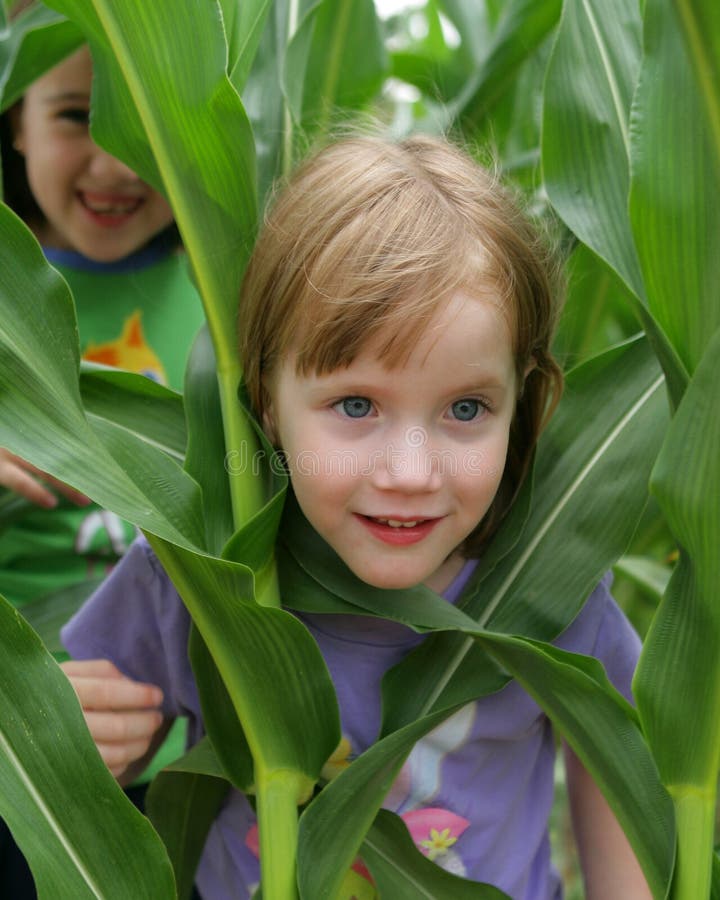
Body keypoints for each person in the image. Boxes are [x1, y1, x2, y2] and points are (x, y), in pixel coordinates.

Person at [61, 135, 651, 899]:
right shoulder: (192, 572)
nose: (410, 474)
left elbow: (619, 773)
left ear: (525, 402)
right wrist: (86, 738)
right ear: (269, 402)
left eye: (466, 408)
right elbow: (82, 745)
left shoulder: (554, 585)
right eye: (356, 405)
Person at [0, 13, 204, 896]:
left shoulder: (233, 296)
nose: (117, 163)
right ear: (13, 114)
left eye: (145, 122)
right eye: (79, 115)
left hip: (194, 752)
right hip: (23, 751)